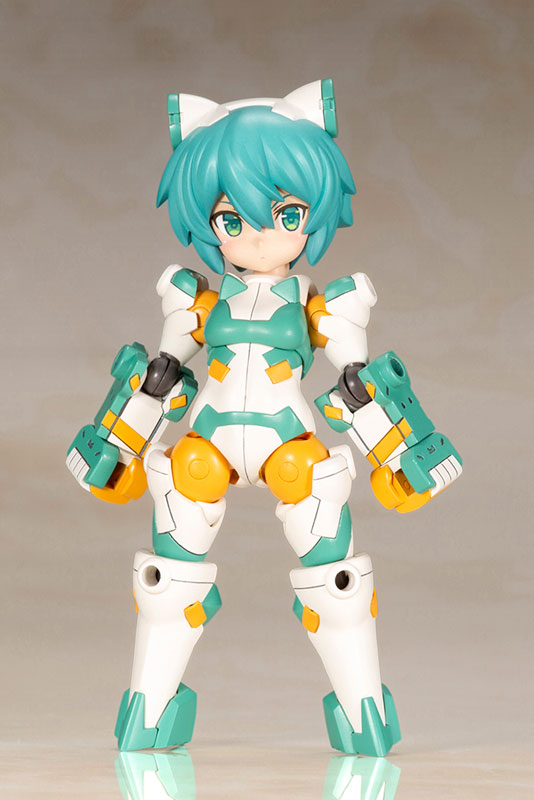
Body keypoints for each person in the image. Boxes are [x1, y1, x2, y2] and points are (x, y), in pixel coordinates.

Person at [67, 80, 461, 755]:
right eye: (231, 220)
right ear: (208, 224)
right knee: (168, 571)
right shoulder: (195, 303)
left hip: (288, 444)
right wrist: (116, 448)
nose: (257, 234)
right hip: (208, 442)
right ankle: (149, 715)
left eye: (285, 214)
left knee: (335, 575)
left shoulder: (321, 305)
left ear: (312, 217)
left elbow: (361, 384)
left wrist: (403, 456)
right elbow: (158, 375)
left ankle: (363, 718)